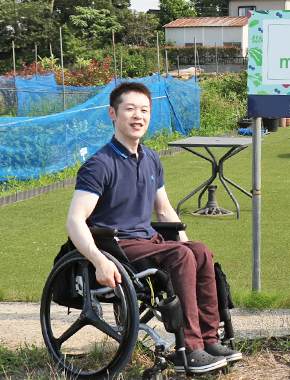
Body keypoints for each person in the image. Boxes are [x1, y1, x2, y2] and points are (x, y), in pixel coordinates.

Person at [65, 81, 242, 373]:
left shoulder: (150, 158)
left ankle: (210, 340)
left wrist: (185, 242)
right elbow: (75, 220)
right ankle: (192, 348)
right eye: (130, 109)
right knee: (184, 256)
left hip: (149, 240)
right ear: (113, 113)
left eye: (144, 110)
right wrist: (98, 261)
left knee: (199, 251)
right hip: (118, 244)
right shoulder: (99, 165)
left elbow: (163, 209)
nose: (138, 116)